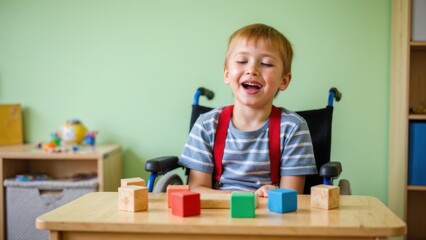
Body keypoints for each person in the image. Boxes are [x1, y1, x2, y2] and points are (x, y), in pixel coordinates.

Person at [178, 23, 317, 197]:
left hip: (269, 215)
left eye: (266, 63)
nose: (252, 70)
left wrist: (275, 193)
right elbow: (197, 189)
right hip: (217, 214)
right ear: (227, 73)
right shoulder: (206, 125)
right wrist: (246, 198)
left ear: (284, 80)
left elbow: (291, 195)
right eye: (242, 61)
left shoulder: (293, 128)